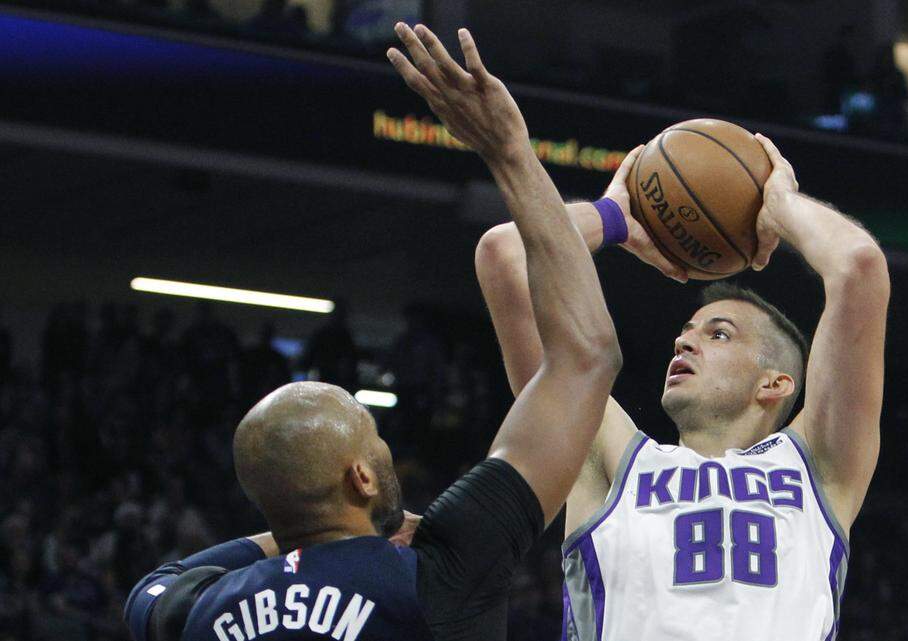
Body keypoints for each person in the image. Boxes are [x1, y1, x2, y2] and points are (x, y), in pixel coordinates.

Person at [123, 22, 624, 641]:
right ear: (361, 478)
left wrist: (296, 519)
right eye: (373, 440)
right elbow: (585, 354)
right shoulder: (438, 572)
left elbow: (150, 588)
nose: (384, 453)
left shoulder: (196, 611)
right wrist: (511, 152)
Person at [475, 130, 890, 637]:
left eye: (718, 334)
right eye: (685, 332)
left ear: (775, 383)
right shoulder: (610, 456)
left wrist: (780, 204)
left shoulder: (818, 468)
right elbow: (505, 254)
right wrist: (613, 220)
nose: (684, 344)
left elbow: (859, 266)